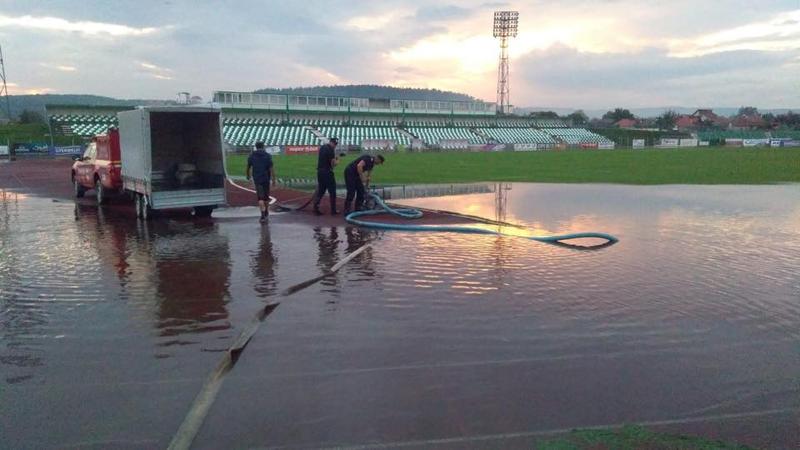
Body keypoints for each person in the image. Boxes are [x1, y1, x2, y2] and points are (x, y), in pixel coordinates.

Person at [246, 141, 276, 223]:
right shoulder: (267, 156)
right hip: (266, 178)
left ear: (256, 147)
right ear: (263, 146)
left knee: (260, 197)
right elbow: (271, 168)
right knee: (266, 197)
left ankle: (263, 214)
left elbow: (248, 167)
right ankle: (266, 211)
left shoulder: (252, 155)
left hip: (257, 179)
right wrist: (274, 179)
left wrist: (248, 176)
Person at [312, 137, 341, 216]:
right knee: (332, 191)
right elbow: (333, 164)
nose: (335, 146)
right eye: (335, 144)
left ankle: (316, 206)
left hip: (320, 172)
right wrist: (338, 160)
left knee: (321, 190)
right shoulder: (331, 150)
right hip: (327, 173)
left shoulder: (323, 147)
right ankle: (333, 210)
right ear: (331, 142)